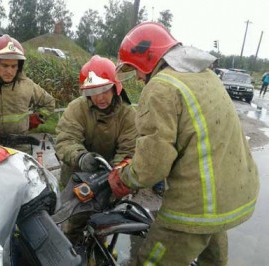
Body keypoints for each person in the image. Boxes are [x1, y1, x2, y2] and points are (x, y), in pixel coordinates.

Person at [109, 22, 259, 266]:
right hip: (232, 195)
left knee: (150, 261)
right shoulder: (206, 76)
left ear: (148, 57)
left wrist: (124, 178)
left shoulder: (160, 87)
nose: (136, 76)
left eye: (135, 68)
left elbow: (152, 165)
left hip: (195, 204)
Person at [55, 55, 138, 243]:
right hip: (75, 179)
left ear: (115, 87)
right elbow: (66, 139)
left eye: (104, 89)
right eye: (93, 91)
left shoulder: (128, 115)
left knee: (101, 225)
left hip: (109, 179)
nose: (100, 97)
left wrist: (115, 177)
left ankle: (97, 254)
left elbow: (128, 151)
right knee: (71, 226)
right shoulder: (76, 109)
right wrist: (81, 157)